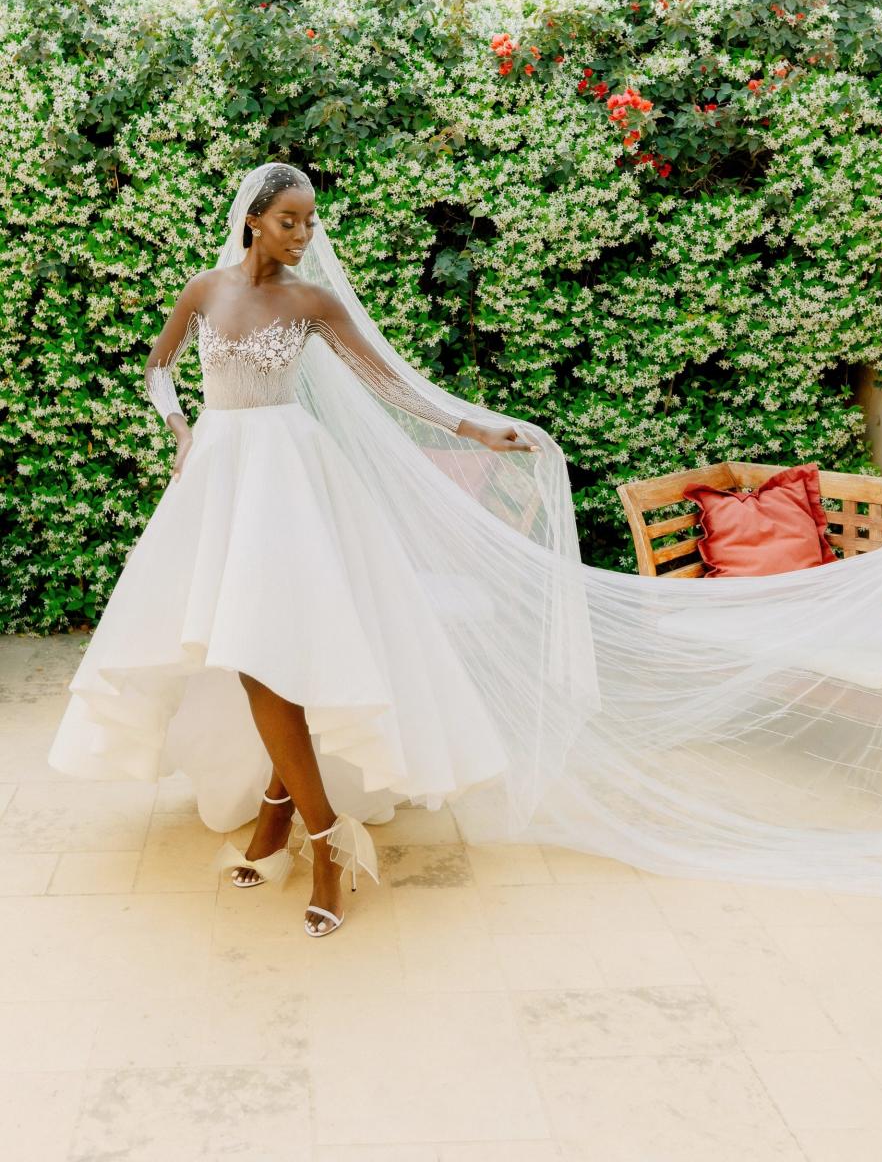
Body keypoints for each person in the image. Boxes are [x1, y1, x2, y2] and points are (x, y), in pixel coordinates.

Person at [48, 162, 537, 937]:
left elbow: (390, 382)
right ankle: (290, 817)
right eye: (291, 222)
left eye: (311, 222)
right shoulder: (204, 290)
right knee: (253, 650)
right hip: (220, 473)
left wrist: (474, 427)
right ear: (253, 220)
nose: (305, 235)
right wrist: (180, 432)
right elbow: (158, 366)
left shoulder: (312, 301)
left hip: (290, 480)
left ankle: (321, 839)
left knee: (273, 648)